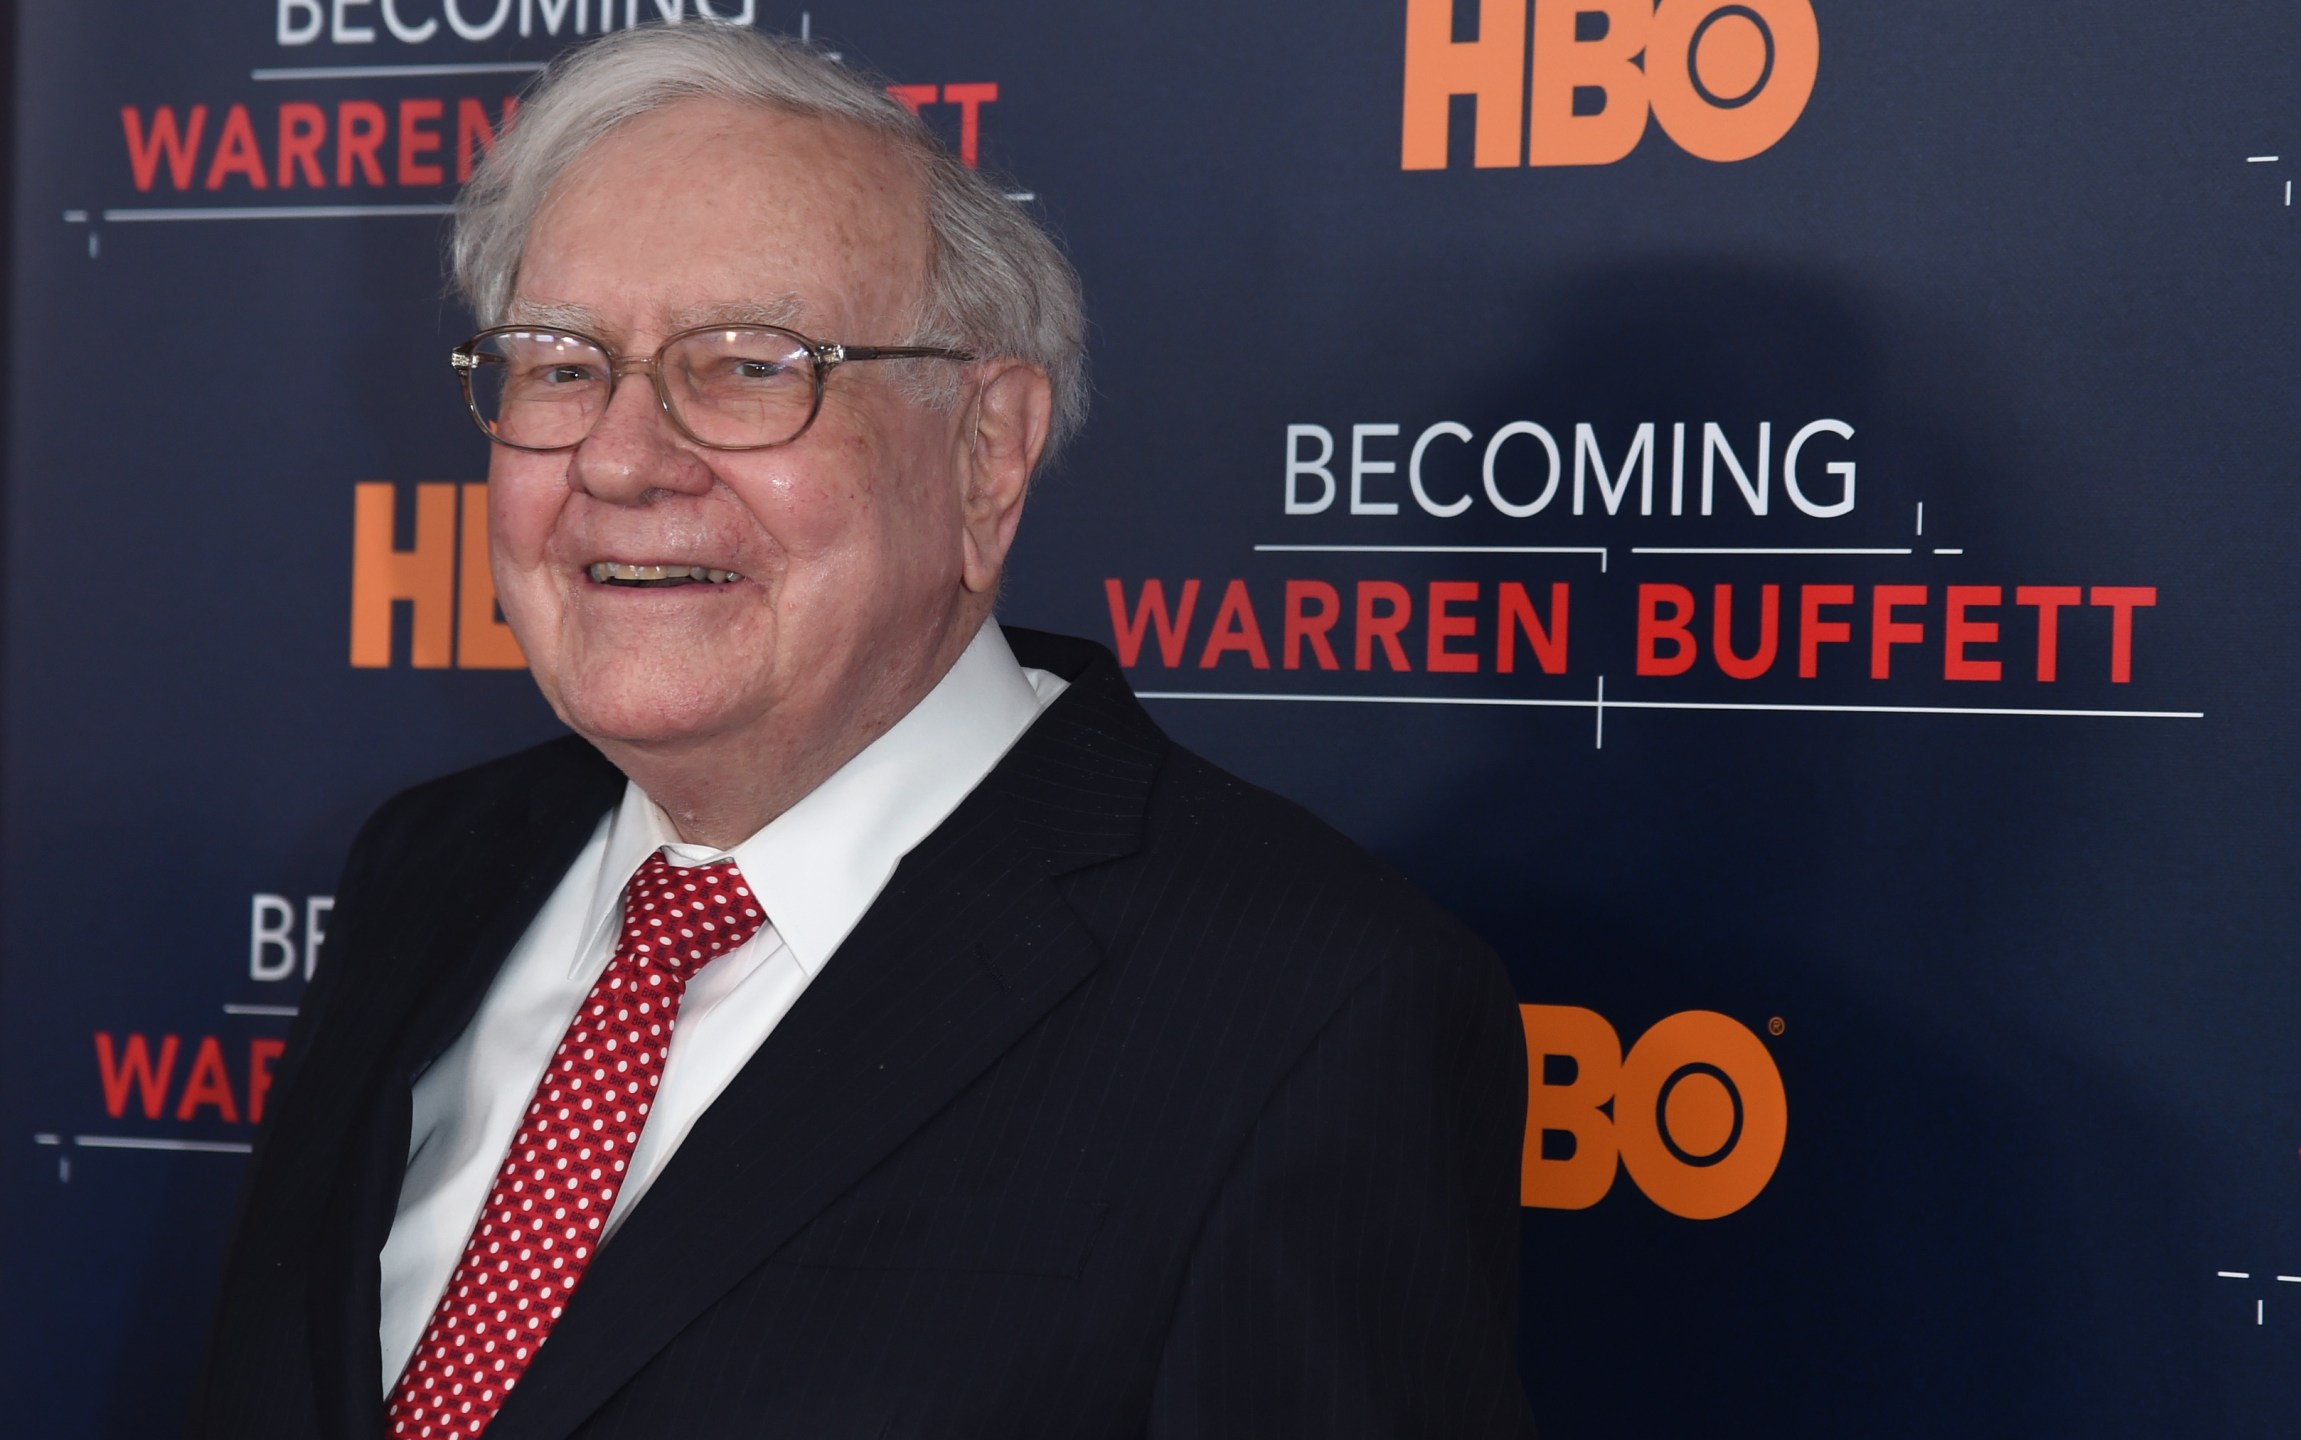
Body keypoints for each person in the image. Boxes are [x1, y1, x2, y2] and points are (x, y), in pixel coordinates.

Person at [191, 22, 1532, 1440]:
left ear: (986, 454)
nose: (623, 458)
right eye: (561, 363)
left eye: (754, 367)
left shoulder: (1309, 1010)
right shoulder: (429, 868)